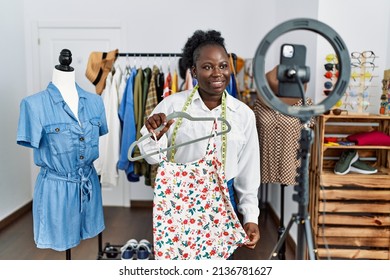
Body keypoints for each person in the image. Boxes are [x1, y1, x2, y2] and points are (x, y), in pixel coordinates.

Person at [137, 30, 260, 259]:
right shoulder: (171, 105)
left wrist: (250, 216)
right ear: (193, 71)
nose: (217, 73)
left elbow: (248, 171)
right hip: (179, 201)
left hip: (224, 199)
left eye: (223, 66)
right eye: (207, 66)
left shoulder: (242, 114)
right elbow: (150, 156)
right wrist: (154, 135)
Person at [16, 49, 108, 252]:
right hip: (56, 190)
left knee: (86, 237)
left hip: (89, 185)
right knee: (63, 244)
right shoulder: (33, 105)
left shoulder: (95, 102)